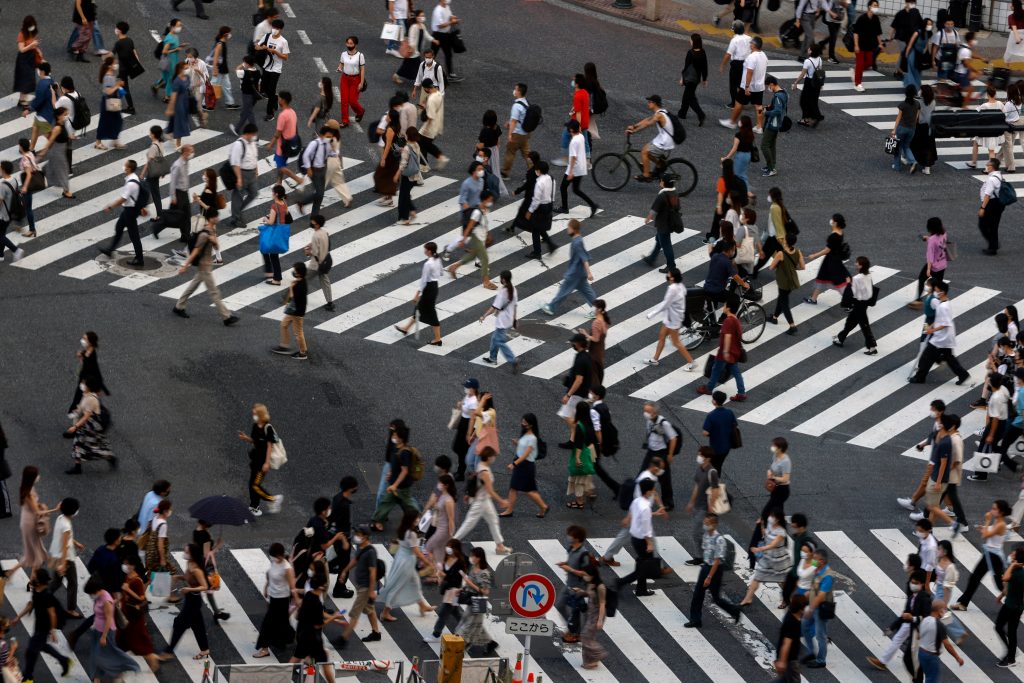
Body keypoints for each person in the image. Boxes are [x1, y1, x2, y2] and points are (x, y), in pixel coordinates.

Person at [172, 212, 239, 326]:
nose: (217, 218)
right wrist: (186, 265)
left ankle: (179, 306)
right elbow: (196, 251)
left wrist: (214, 241)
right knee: (214, 292)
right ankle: (226, 317)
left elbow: (217, 247)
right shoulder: (204, 235)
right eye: (215, 216)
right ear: (210, 218)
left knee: (192, 286)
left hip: (207, 264)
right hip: (204, 266)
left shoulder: (212, 230)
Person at [866, 569, 933, 671]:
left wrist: (912, 618)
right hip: (908, 624)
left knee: (915, 650)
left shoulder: (925, 598)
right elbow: (904, 615)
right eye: (912, 582)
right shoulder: (911, 597)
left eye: (916, 583)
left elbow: (927, 617)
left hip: (919, 628)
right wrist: (892, 627)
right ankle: (882, 662)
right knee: (897, 640)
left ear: (922, 584)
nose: (913, 585)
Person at [13, 568, 72, 681]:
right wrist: (18, 617)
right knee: (41, 646)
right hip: (39, 624)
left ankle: (28, 677)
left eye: (34, 576)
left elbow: (52, 615)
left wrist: (52, 631)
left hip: (44, 627)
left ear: (39, 581)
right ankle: (64, 661)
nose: (32, 577)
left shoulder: (47, 596)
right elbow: (32, 604)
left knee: (30, 651)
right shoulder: (36, 589)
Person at [909, 281, 972, 385]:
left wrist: (931, 330)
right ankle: (963, 375)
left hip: (941, 338)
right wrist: (932, 324)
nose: (935, 292)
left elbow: (945, 324)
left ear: (942, 292)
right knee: (948, 357)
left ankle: (920, 377)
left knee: (926, 356)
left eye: (937, 290)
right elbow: (940, 319)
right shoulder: (945, 302)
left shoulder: (943, 306)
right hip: (945, 337)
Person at [952, 499, 1011, 610]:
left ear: (1001, 512)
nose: (991, 511)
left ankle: (1017, 600)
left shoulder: (1001, 524)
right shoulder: (998, 521)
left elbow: (985, 537)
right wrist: (984, 528)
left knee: (999, 584)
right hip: (989, 554)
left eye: (994, 509)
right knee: (974, 578)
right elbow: (990, 535)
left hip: (995, 557)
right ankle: (963, 604)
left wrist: (987, 521)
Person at [686, 512, 742, 627]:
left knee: (716, 598)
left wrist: (709, 577)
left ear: (715, 524)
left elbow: (717, 560)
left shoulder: (719, 540)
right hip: (706, 567)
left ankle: (734, 610)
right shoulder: (706, 535)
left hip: (714, 570)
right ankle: (695, 620)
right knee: (698, 594)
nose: (705, 525)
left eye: (708, 523)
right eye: (705, 522)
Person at [378, 510, 436, 621]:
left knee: (415, 583)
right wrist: (428, 563)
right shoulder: (412, 534)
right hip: (407, 562)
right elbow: (416, 551)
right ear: (412, 520)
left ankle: (422, 606)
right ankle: (385, 612)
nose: (418, 520)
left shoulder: (403, 528)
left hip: (401, 558)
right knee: (397, 587)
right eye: (417, 518)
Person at [452, 447, 511, 554]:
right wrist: (501, 501)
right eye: (493, 456)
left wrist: (468, 494)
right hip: (480, 502)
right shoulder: (485, 472)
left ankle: (499, 546)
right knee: (469, 523)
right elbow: (491, 491)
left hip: (484, 500)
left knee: (493, 520)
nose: (494, 458)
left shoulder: (481, 465)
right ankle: (452, 543)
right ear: (488, 457)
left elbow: (474, 481)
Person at [82, 575, 140, 682]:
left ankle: (120, 674)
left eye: (91, 593)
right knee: (96, 657)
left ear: (96, 590)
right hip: (97, 631)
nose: (91, 596)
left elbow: (109, 618)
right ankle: (97, 679)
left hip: (106, 633)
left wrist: (104, 636)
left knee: (108, 656)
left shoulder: (106, 600)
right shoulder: (99, 595)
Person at [369, 422, 420, 530]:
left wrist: (395, 485)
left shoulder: (405, 452)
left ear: (401, 438)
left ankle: (418, 518)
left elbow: (404, 471)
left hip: (401, 487)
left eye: (395, 435)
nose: (392, 437)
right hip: (394, 485)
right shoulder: (396, 448)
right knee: (387, 502)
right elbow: (394, 464)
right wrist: (390, 473)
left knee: (408, 504)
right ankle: (378, 521)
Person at [644, 267, 697, 370]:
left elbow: (665, 304)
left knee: (675, 342)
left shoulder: (672, 289)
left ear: (672, 278)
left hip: (673, 319)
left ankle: (691, 362)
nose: (667, 275)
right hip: (672, 317)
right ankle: (655, 359)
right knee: (662, 336)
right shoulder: (680, 286)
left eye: (669, 274)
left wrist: (652, 314)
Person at [338, 527, 383, 648]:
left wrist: (371, 590)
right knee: (369, 609)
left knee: (354, 613)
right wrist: (344, 571)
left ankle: (343, 639)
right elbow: (355, 560)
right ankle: (376, 633)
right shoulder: (360, 547)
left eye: (358, 534)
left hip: (365, 588)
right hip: (361, 585)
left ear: (365, 537)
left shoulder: (371, 552)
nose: (356, 536)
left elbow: (373, 573)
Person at [697, 297, 748, 401]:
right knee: (736, 373)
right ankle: (742, 393)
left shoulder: (728, 321)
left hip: (725, 352)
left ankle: (709, 388)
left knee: (716, 370)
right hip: (735, 352)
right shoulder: (736, 320)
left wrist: (725, 352)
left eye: (725, 305)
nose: (723, 307)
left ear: (728, 308)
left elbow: (728, 337)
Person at [542, 219, 596, 317]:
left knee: (563, 290)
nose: (567, 230)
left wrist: (589, 273)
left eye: (569, 228)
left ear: (573, 230)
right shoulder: (578, 239)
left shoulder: (577, 243)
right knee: (587, 291)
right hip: (579, 273)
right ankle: (597, 310)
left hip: (575, 273)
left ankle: (551, 307)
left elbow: (584, 258)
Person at [237, 404, 282, 516]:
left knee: (255, 485)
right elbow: (255, 441)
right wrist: (246, 438)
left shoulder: (268, 428)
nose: (253, 415)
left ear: (260, 415)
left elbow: (269, 446)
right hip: (255, 460)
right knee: (251, 484)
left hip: (262, 462)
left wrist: (266, 463)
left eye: (255, 414)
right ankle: (254, 507)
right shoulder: (255, 426)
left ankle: (273, 499)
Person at [64, 374, 114, 474]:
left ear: (88, 386)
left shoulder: (91, 399)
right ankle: (77, 467)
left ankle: (109, 456)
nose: (82, 384)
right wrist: (77, 410)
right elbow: (83, 408)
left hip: (91, 426)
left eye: (84, 383)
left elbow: (87, 416)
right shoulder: (86, 394)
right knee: (78, 443)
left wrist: (75, 426)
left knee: (91, 447)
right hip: (87, 425)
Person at [117, 554, 159, 672]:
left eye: (127, 564)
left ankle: (152, 658)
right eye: (124, 563)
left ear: (133, 566)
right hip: (126, 613)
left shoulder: (136, 580)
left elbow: (141, 598)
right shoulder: (128, 576)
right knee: (121, 641)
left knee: (139, 643)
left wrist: (128, 589)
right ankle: (119, 666)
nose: (125, 566)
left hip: (134, 617)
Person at [447, 189, 496, 289]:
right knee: (485, 259)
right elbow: (469, 226)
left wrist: (488, 233)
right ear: (485, 200)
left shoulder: (483, 210)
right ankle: (486, 282)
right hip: (476, 238)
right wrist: (463, 239)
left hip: (481, 237)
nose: (491, 202)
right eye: (490, 200)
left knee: (471, 256)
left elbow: (483, 223)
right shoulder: (477, 212)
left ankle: (453, 267)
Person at [501, 413, 549, 517]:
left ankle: (543, 506)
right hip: (522, 464)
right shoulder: (526, 434)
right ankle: (509, 510)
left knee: (528, 490)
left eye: (524, 422)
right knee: (514, 487)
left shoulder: (532, 438)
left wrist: (514, 464)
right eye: (522, 421)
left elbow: (526, 454)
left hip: (525, 466)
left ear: (531, 425)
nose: (522, 424)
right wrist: (518, 443)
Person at [396, 242, 443, 345]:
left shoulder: (428, 264)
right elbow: (441, 273)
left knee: (430, 313)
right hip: (434, 287)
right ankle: (406, 328)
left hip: (428, 288)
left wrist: (417, 294)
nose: (424, 251)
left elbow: (424, 280)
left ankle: (438, 339)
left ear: (429, 251)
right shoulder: (438, 259)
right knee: (419, 309)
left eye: (425, 249)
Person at [617, 479, 659, 597]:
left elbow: (634, 513)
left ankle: (641, 589)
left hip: (634, 538)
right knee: (644, 567)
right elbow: (646, 528)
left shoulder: (637, 501)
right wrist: (649, 543)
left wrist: (654, 513)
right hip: (642, 540)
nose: (654, 492)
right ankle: (620, 582)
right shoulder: (646, 507)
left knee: (641, 563)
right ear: (648, 491)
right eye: (653, 490)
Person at [742, 509, 792, 605]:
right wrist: (761, 524)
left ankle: (786, 599)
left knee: (782, 581)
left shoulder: (781, 532)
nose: (771, 518)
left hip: (779, 560)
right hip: (767, 557)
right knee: (758, 576)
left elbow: (772, 545)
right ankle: (748, 598)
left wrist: (759, 549)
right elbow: (765, 533)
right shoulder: (769, 521)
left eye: (773, 517)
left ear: (778, 519)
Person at [455, 548, 497, 655]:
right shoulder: (473, 568)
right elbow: (469, 582)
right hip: (471, 601)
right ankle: (490, 643)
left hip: (479, 602)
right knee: (473, 623)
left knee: (469, 624)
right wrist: (462, 589)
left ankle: (462, 645)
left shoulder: (484, 574)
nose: (471, 558)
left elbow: (485, 591)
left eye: (473, 556)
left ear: (479, 558)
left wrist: (469, 583)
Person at [832, 256, 878, 354]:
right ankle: (840, 338)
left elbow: (854, 292)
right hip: (864, 303)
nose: (855, 264)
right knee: (851, 322)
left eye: (857, 263)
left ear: (861, 266)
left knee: (864, 325)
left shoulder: (857, 278)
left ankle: (872, 347)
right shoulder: (868, 275)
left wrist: (849, 283)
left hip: (859, 303)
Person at [625, 95, 676, 182]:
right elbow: (647, 120)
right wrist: (634, 126)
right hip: (663, 138)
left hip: (665, 141)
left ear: (654, 103)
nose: (648, 104)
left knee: (644, 152)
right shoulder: (661, 112)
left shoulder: (659, 115)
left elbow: (648, 124)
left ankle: (646, 175)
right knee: (646, 149)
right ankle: (659, 164)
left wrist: (634, 131)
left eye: (649, 102)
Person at [48, 497, 84, 617]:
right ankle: (71, 609)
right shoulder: (67, 526)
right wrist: (63, 564)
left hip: (56, 555)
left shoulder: (60, 518)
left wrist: (75, 542)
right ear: (74, 512)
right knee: (73, 583)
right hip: (65, 559)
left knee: (57, 582)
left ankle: (42, 596)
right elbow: (65, 546)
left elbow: (65, 537)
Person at [803, 214, 850, 305]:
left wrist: (814, 255)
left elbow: (827, 250)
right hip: (833, 259)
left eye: (832, 220)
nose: (831, 221)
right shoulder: (840, 232)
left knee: (838, 282)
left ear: (835, 223)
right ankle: (813, 298)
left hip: (832, 261)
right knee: (821, 277)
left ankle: (849, 301)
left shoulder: (833, 236)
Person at [722, 35, 767, 131]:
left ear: (754, 46)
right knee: (758, 106)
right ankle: (759, 126)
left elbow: (749, 73)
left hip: (748, 86)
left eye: (751, 43)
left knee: (738, 103)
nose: (749, 44)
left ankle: (732, 122)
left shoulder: (751, 57)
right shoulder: (764, 55)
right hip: (759, 86)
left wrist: (746, 87)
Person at [641, 403, 679, 509]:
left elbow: (673, 438)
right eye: (645, 411)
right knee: (643, 473)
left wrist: (670, 455)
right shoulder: (649, 421)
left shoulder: (664, 423)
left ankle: (668, 503)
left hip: (661, 453)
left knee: (664, 479)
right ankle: (641, 496)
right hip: (651, 451)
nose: (645, 414)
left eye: (648, 412)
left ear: (655, 412)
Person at [642, 174, 682, 272]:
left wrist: (648, 219)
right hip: (671, 222)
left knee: (666, 244)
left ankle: (671, 266)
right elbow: (678, 207)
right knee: (659, 240)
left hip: (663, 224)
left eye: (660, 181)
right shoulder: (675, 193)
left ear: (663, 183)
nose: (660, 182)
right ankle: (651, 258)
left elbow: (654, 210)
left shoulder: (662, 195)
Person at [558, 120, 598, 216]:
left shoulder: (573, 142)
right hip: (581, 166)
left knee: (563, 187)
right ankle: (593, 205)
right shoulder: (581, 136)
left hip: (574, 168)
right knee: (576, 190)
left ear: (571, 130)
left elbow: (573, 157)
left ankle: (564, 208)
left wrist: (570, 171)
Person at [272, 262, 309, 360]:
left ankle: (302, 353)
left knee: (298, 333)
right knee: (284, 325)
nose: (293, 271)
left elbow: (293, 298)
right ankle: (284, 345)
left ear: (299, 273)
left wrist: (291, 287)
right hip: (293, 311)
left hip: (297, 312)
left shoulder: (300, 285)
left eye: (295, 270)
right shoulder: (300, 280)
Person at [430, 539, 467, 638]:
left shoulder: (460, 562)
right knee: (454, 611)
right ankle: (467, 626)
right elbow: (443, 570)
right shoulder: (447, 557)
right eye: (448, 546)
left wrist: (444, 576)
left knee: (443, 613)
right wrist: (439, 574)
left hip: (454, 591)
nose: (448, 549)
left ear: (456, 549)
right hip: (447, 590)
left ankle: (436, 634)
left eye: (451, 547)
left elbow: (456, 580)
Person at [38, 106, 75, 200]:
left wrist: (70, 137)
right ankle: (66, 191)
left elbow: (63, 136)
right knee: (64, 170)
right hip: (57, 151)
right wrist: (43, 152)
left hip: (61, 150)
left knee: (54, 165)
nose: (67, 116)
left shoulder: (63, 124)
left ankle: (43, 171)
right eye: (65, 114)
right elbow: (50, 141)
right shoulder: (57, 128)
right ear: (59, 116)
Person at [227, 123, 260, 228]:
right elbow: (235, 163)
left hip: (251, 173)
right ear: (248, 133)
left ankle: (237, 211)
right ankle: (235, 219)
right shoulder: (239, 144)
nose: (254, 136)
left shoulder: (252, 142)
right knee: (238, 197)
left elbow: (254, 156)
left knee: (254, 193)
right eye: (253, 134)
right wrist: (239, 178)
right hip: (242, 173)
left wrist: (256, 169)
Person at [997, 547, 1024, 667]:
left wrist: (1012, 566)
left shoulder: (1019, 572)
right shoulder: (1019, 570)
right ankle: (1011, 655)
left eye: (1014, 554)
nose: (1011, 554)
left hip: (1012, 606)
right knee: (1010, 631)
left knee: (1001, 627)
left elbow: (1005, 578)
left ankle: (1011, 655)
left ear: (1018, 558)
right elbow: (1010, 585)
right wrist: (1001, 595)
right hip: (1014, 605)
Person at [578, 560, 608, 670]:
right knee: (589, 637)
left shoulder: (601, 587)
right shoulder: (591, 583)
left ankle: (599, 653)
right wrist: (582, 592)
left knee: (585, 636)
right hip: (589, 613)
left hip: (596, 615)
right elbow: (590, 594)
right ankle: (589, 662)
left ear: (592, 575)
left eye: (585, 575)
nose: (584, 576)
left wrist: (600, 620)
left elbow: (602, 604)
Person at [702, 391, 738, 474]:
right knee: (718, 465)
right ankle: (716, 481)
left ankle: (714, 484)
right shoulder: (729, 412)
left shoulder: (711, 415)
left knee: (712, 467)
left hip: (715, 447)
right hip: (727, 446)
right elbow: (735, 425)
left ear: (714, 401)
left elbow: (705, 432)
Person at [394, 127, 424, 224]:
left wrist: (397, 175)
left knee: (403, 196)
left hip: (408, 176)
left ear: (408, 136)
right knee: (405, 194)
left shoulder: (407, 148)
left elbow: (403, 164)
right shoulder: (416, 145)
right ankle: (412, 211)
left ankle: (405, 218)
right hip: (415, 174)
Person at [852, 0, 883, 92]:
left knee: (869, 62)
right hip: (860, 45)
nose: (876, 7)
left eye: (877, 5)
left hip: (870, 46)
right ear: (869, 6)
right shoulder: (862, 18)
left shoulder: (876, 19)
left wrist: (880, 44)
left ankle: (856, 70)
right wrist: (856, 45)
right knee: (860, 64)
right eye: (875, 5)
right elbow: (855, 33)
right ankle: (858, 84)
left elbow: (878, 33)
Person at [417, 79, 449, 168]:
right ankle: (440, 157)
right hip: (437, 123)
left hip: (430, 126)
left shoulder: (431, 99)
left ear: (426, 88)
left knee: (421, 143)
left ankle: (423, 165)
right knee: (426, 144)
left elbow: (430, 116)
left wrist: (426, 128)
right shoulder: (438, 93)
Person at [503, 83, 532, 178]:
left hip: (517, 133)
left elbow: (514, 121)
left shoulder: (516, 106)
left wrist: (510, 134)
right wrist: (509, 122)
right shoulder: (526, 102)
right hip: (526, 134)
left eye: (515, 89)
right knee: (527, 154)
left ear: (519, 92)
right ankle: (533, 172)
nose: (514, 91)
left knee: (510, 152)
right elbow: (519, 118)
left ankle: (504, 172)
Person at [978, 157, 1006, 255]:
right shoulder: (999, 176)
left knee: (983, 225)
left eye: (988, 165)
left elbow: (988, 195)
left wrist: (982, 208)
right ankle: (992, 247)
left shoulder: (991, 179)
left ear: (992, 167)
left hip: (991, 204)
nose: (986, 166)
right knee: (993, 226)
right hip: (998, 204)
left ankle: (993, 245)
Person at [95, 56, 125, 150]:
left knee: (117, 120)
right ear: (109, 66)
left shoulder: (111, 74)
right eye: (114, 63)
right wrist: (117, 85)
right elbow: (108, 91)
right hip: (108, 101)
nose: (116, 65)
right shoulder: (108, 76)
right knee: (105, 121)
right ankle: (98, 142)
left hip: (113, 100)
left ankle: (114, 139)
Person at [761, 77, 789, 177]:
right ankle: (771, 165)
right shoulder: (784, 92)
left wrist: (766, 112)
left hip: (773, 123)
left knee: (764, 145)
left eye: (769, 86)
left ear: (772, 84)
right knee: (771, 145)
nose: (769, 88)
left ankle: (771, 168)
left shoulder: (777, 96)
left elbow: (777, 110)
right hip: (779, 123)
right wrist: (769, 106)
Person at [336, 36, 365, 127]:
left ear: (355, 44)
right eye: (348, 43)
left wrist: (361, 82)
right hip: (345, 78)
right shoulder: (343, 54)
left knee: (352, 101)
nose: (349, 45)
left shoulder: (360, 55)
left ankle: (360, 111)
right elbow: (341, 64)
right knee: (344, 101)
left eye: (351, 43)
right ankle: (345, 121)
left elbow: (362, 70)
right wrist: (339, 68)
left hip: (355, 79)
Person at [679, 34, 708, 125]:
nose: (690, 41)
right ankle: (682, 113)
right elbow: (705, 67)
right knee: (687, 95)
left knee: (690, 98)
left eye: (690, 40)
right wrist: (705, 79)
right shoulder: (702, 52)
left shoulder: (690, 53)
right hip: (696, 79)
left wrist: (682, 79)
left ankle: (701, 114)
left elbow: (686, 67)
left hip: (689, 79)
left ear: (694, 42)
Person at [891, 85, 920, 173]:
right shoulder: (917, 104)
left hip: (902, 128)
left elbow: (898, 118)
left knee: (898, 148)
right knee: (907, 146)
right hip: (911, 128)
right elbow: (916, 118)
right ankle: (913, 161)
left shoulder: (902, 105)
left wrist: (894, 129)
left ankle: (897, 166)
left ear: (906, 93)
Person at [430, 0, 462, 82]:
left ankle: (450, 74)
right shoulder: (438, 10)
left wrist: (453, 18)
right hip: (438, 35)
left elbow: (450, 16)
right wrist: (452, 22)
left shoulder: (447, 7)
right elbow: (440, 25)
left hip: (446, 35)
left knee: (448, 54)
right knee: (432, 55)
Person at [164, 62, 192, 149]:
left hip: (185, 101)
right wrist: (170, 108)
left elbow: (189, 87)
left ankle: (169, 133)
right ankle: (178, 144)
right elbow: (173, 96)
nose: (188, 70)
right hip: (179, 103)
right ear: (180, 70)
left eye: (188, 68)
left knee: (174, 119)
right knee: (180, 122)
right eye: (186, 68)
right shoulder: (177, 81)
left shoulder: (187, 77)